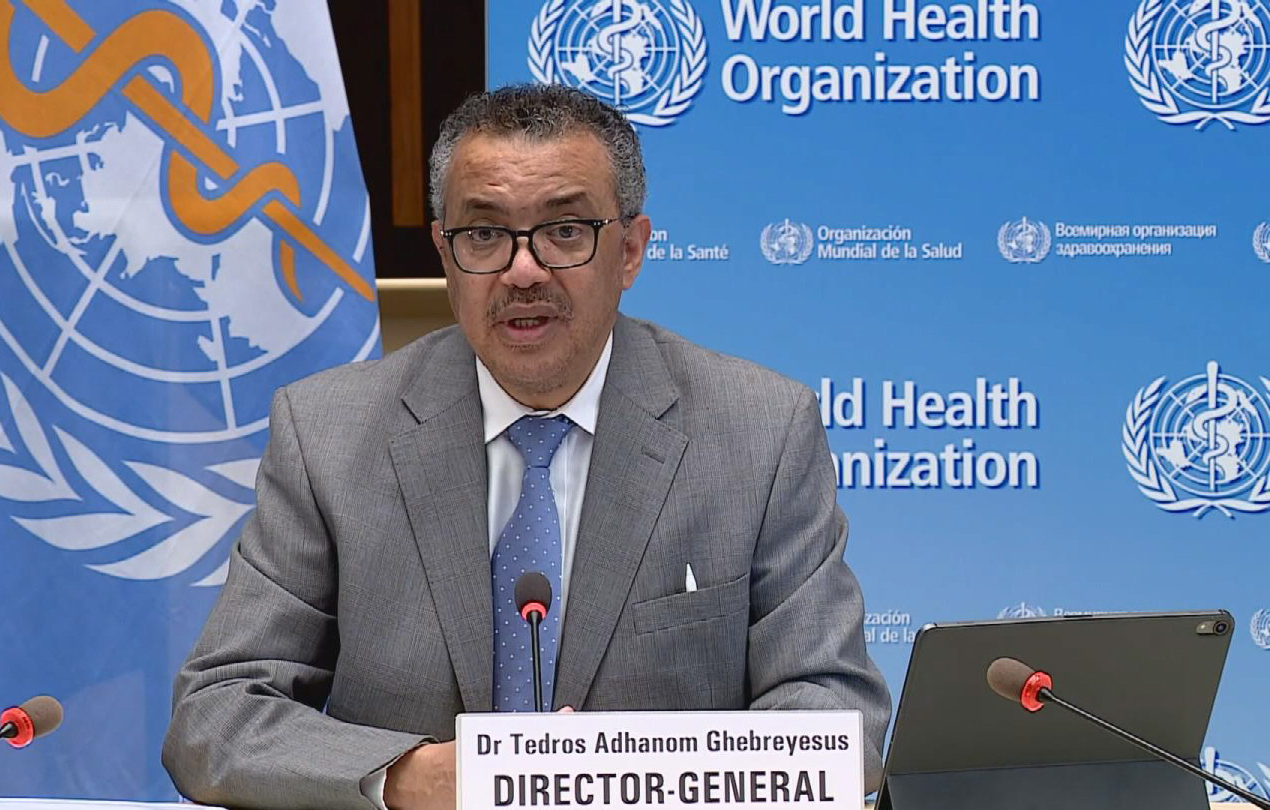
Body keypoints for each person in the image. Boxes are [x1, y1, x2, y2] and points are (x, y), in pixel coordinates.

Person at [162, 83, 890, 810]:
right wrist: (414, 777)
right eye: (484, 235)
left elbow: (837, 717)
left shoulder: (759, 431)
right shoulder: (329, 434)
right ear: (445, 254)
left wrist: (629, 774)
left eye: (565, 230)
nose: (523, 270)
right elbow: (216, 718)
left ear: (631, 251)